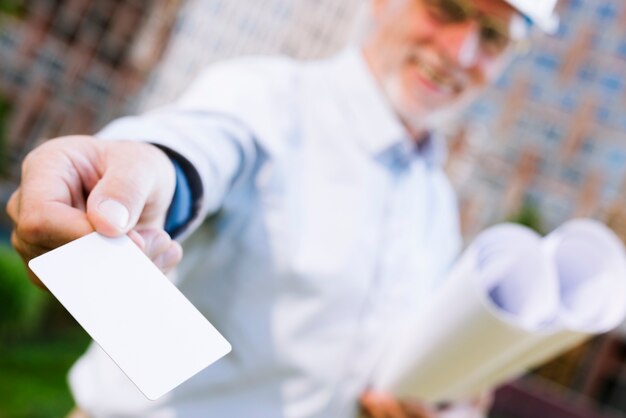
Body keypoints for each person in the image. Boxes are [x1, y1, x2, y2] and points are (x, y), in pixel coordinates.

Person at [7, 0, 559, 417]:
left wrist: (438, 399)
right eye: (446, 9)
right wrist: (134, 176)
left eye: (491, 37)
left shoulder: (436, 204)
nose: (460, 53)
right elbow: (192, 155)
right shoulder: (264, 99)